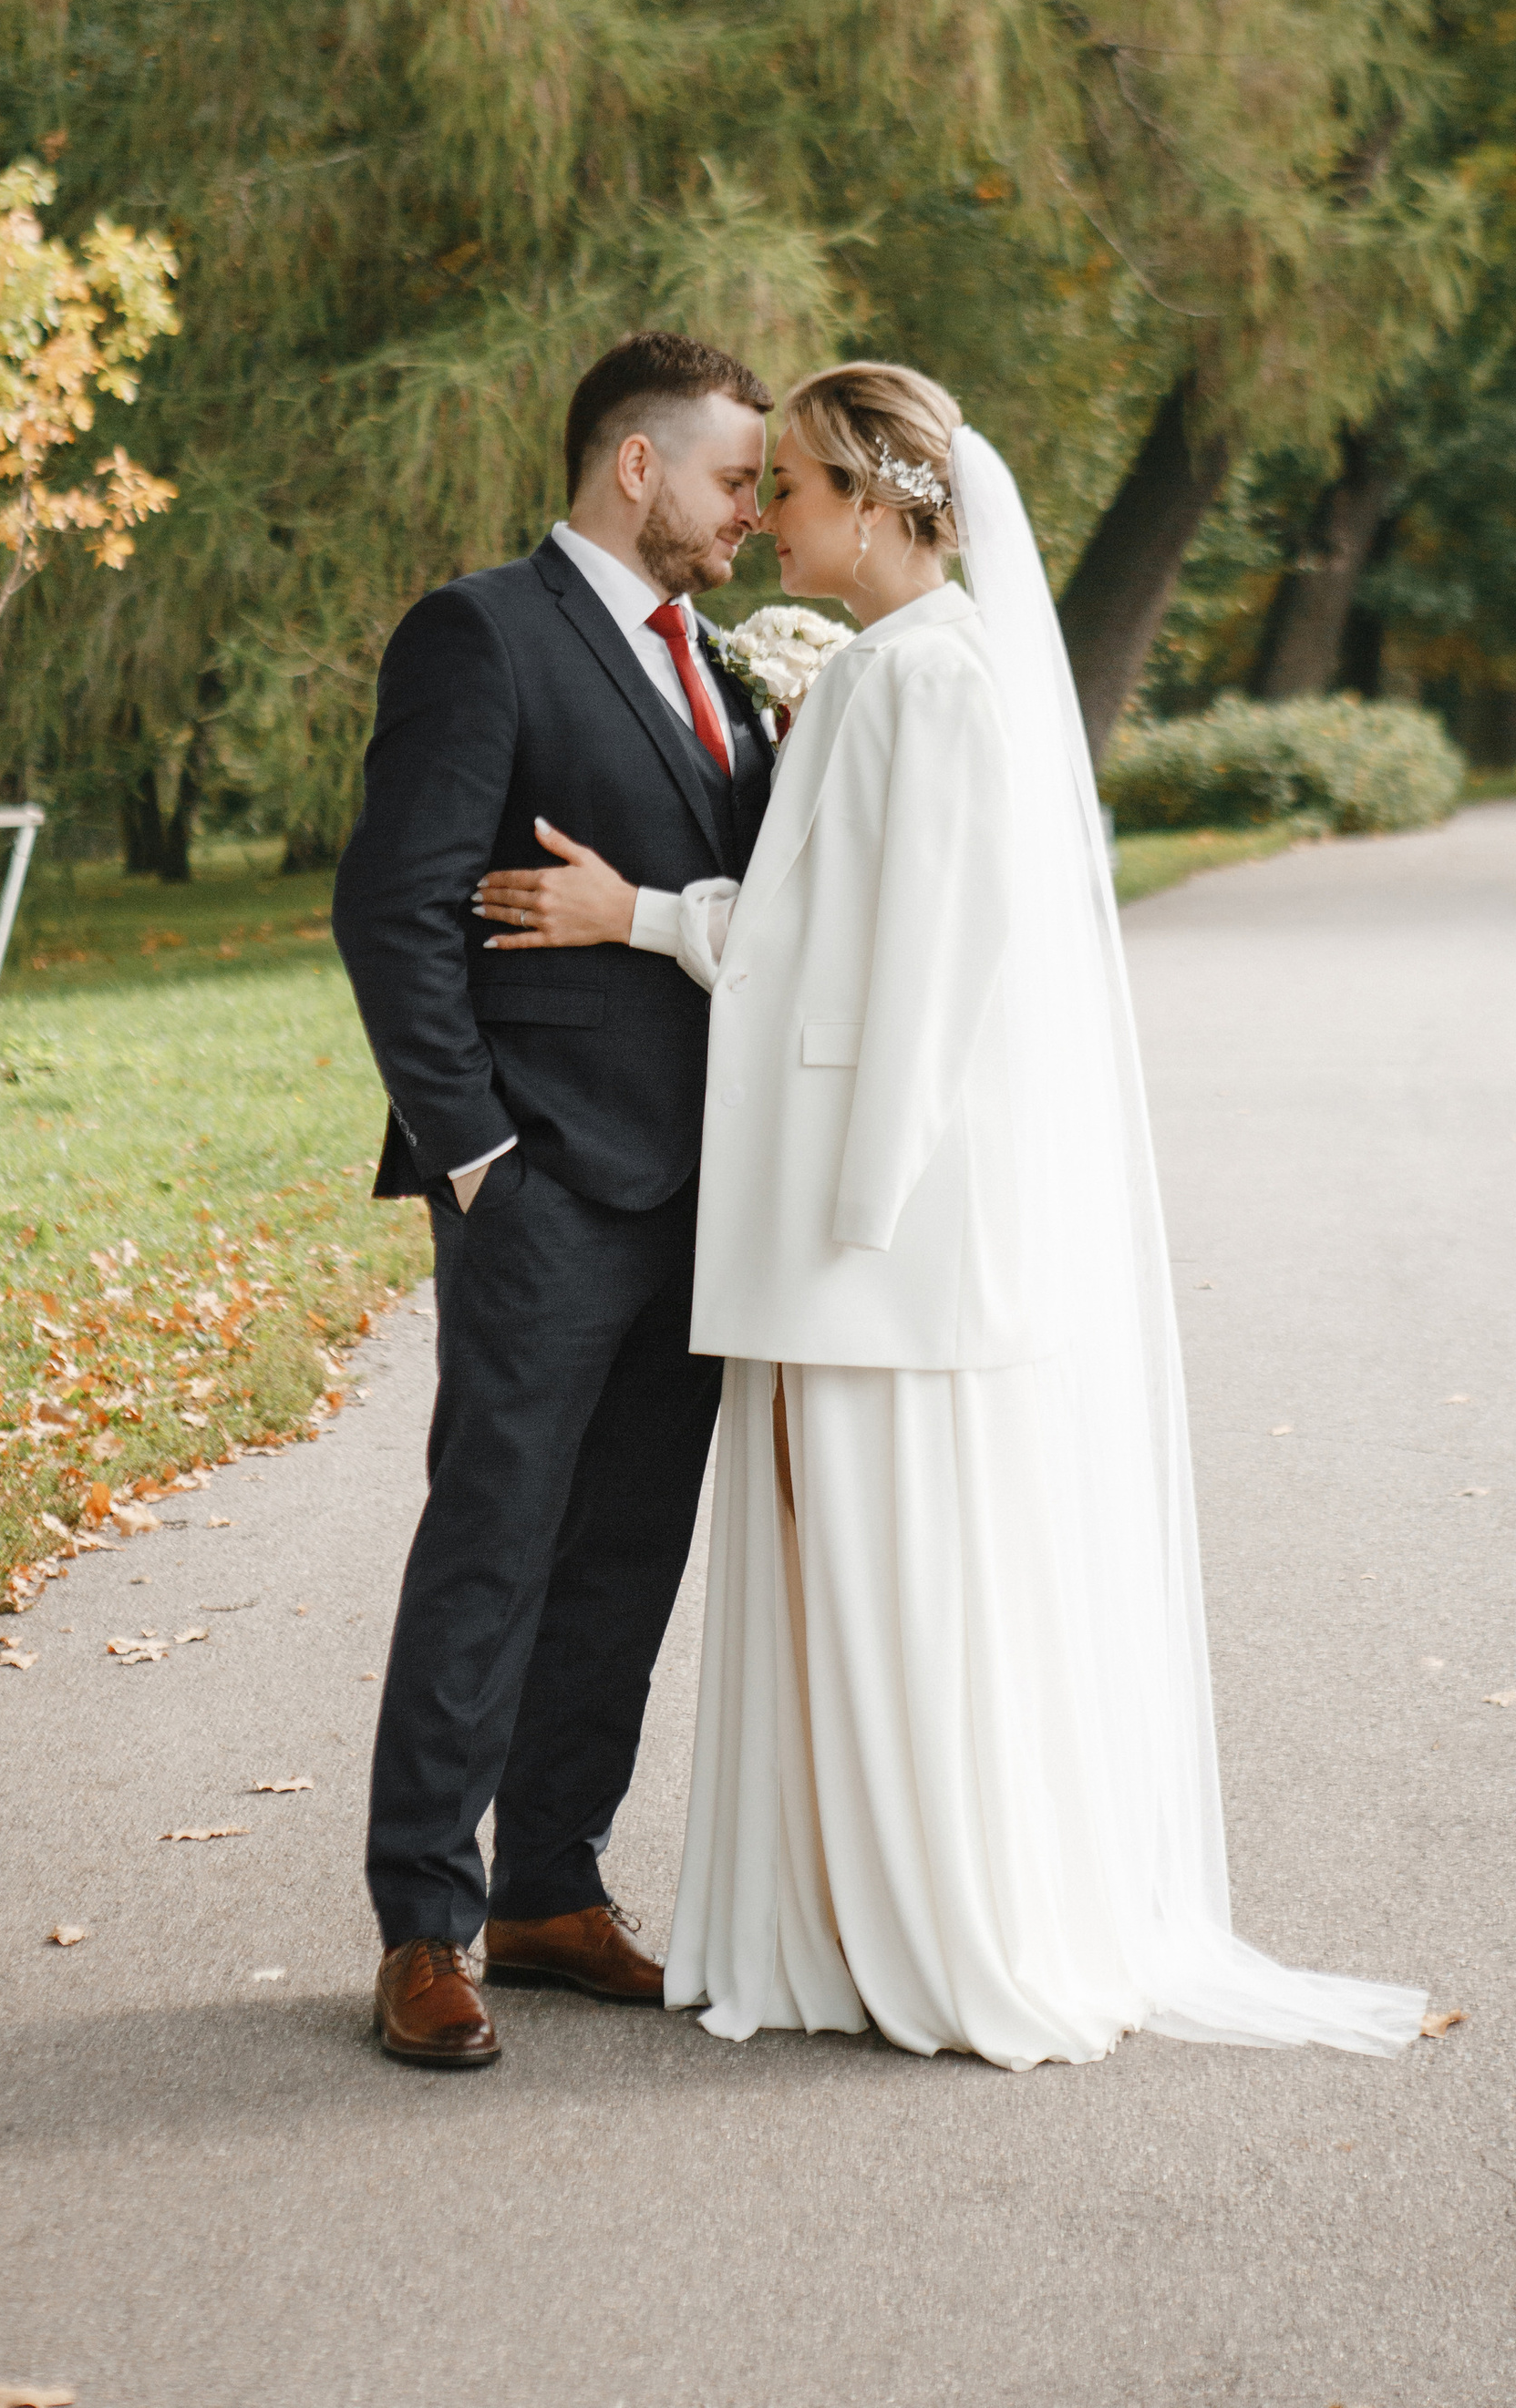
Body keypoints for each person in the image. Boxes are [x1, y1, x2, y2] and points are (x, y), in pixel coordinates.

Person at [476, 360, 1428, 2069]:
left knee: (892, 1564)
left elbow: (900, 966)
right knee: (848, 1562)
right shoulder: (902, 669)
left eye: (798, 487)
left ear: (885, 501)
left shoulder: (928, 684)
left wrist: (843, 1186)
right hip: (852, 1223)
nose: (766, 512)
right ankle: (845, 1916)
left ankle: (922, 1924)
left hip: (876, 1230)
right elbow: (819, 919)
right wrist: (663, 922)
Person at [333, 330, 776, 2069]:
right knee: (494, 1543)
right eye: (738, 478)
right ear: (638, 467)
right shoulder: (481, 633)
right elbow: (395, 905)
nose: (756, 510)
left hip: (703, 1194)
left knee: (628, 1551)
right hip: (540, 1183)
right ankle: (426, 1922)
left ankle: (551, 1884)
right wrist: (474, 1154)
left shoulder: (725, 666)